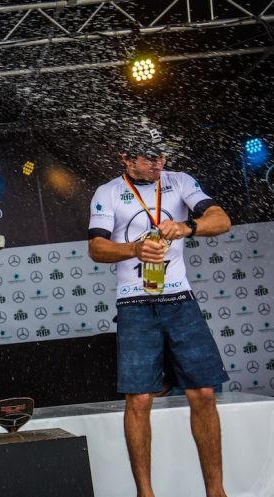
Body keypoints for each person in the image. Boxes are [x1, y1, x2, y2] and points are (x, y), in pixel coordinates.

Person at [87, 120, 231, 497]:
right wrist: (134, 248)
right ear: (125, 158)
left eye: (162, 156)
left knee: (203, 393)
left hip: (179, 298)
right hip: (135, 301)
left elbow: (221, 220)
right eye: (149, 158)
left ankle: (216, 492)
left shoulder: (180, 182)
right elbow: (97, 248)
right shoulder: (108, 192)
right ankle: (145, 493)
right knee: (140, 397)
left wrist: (187, 227)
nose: (158, 164)